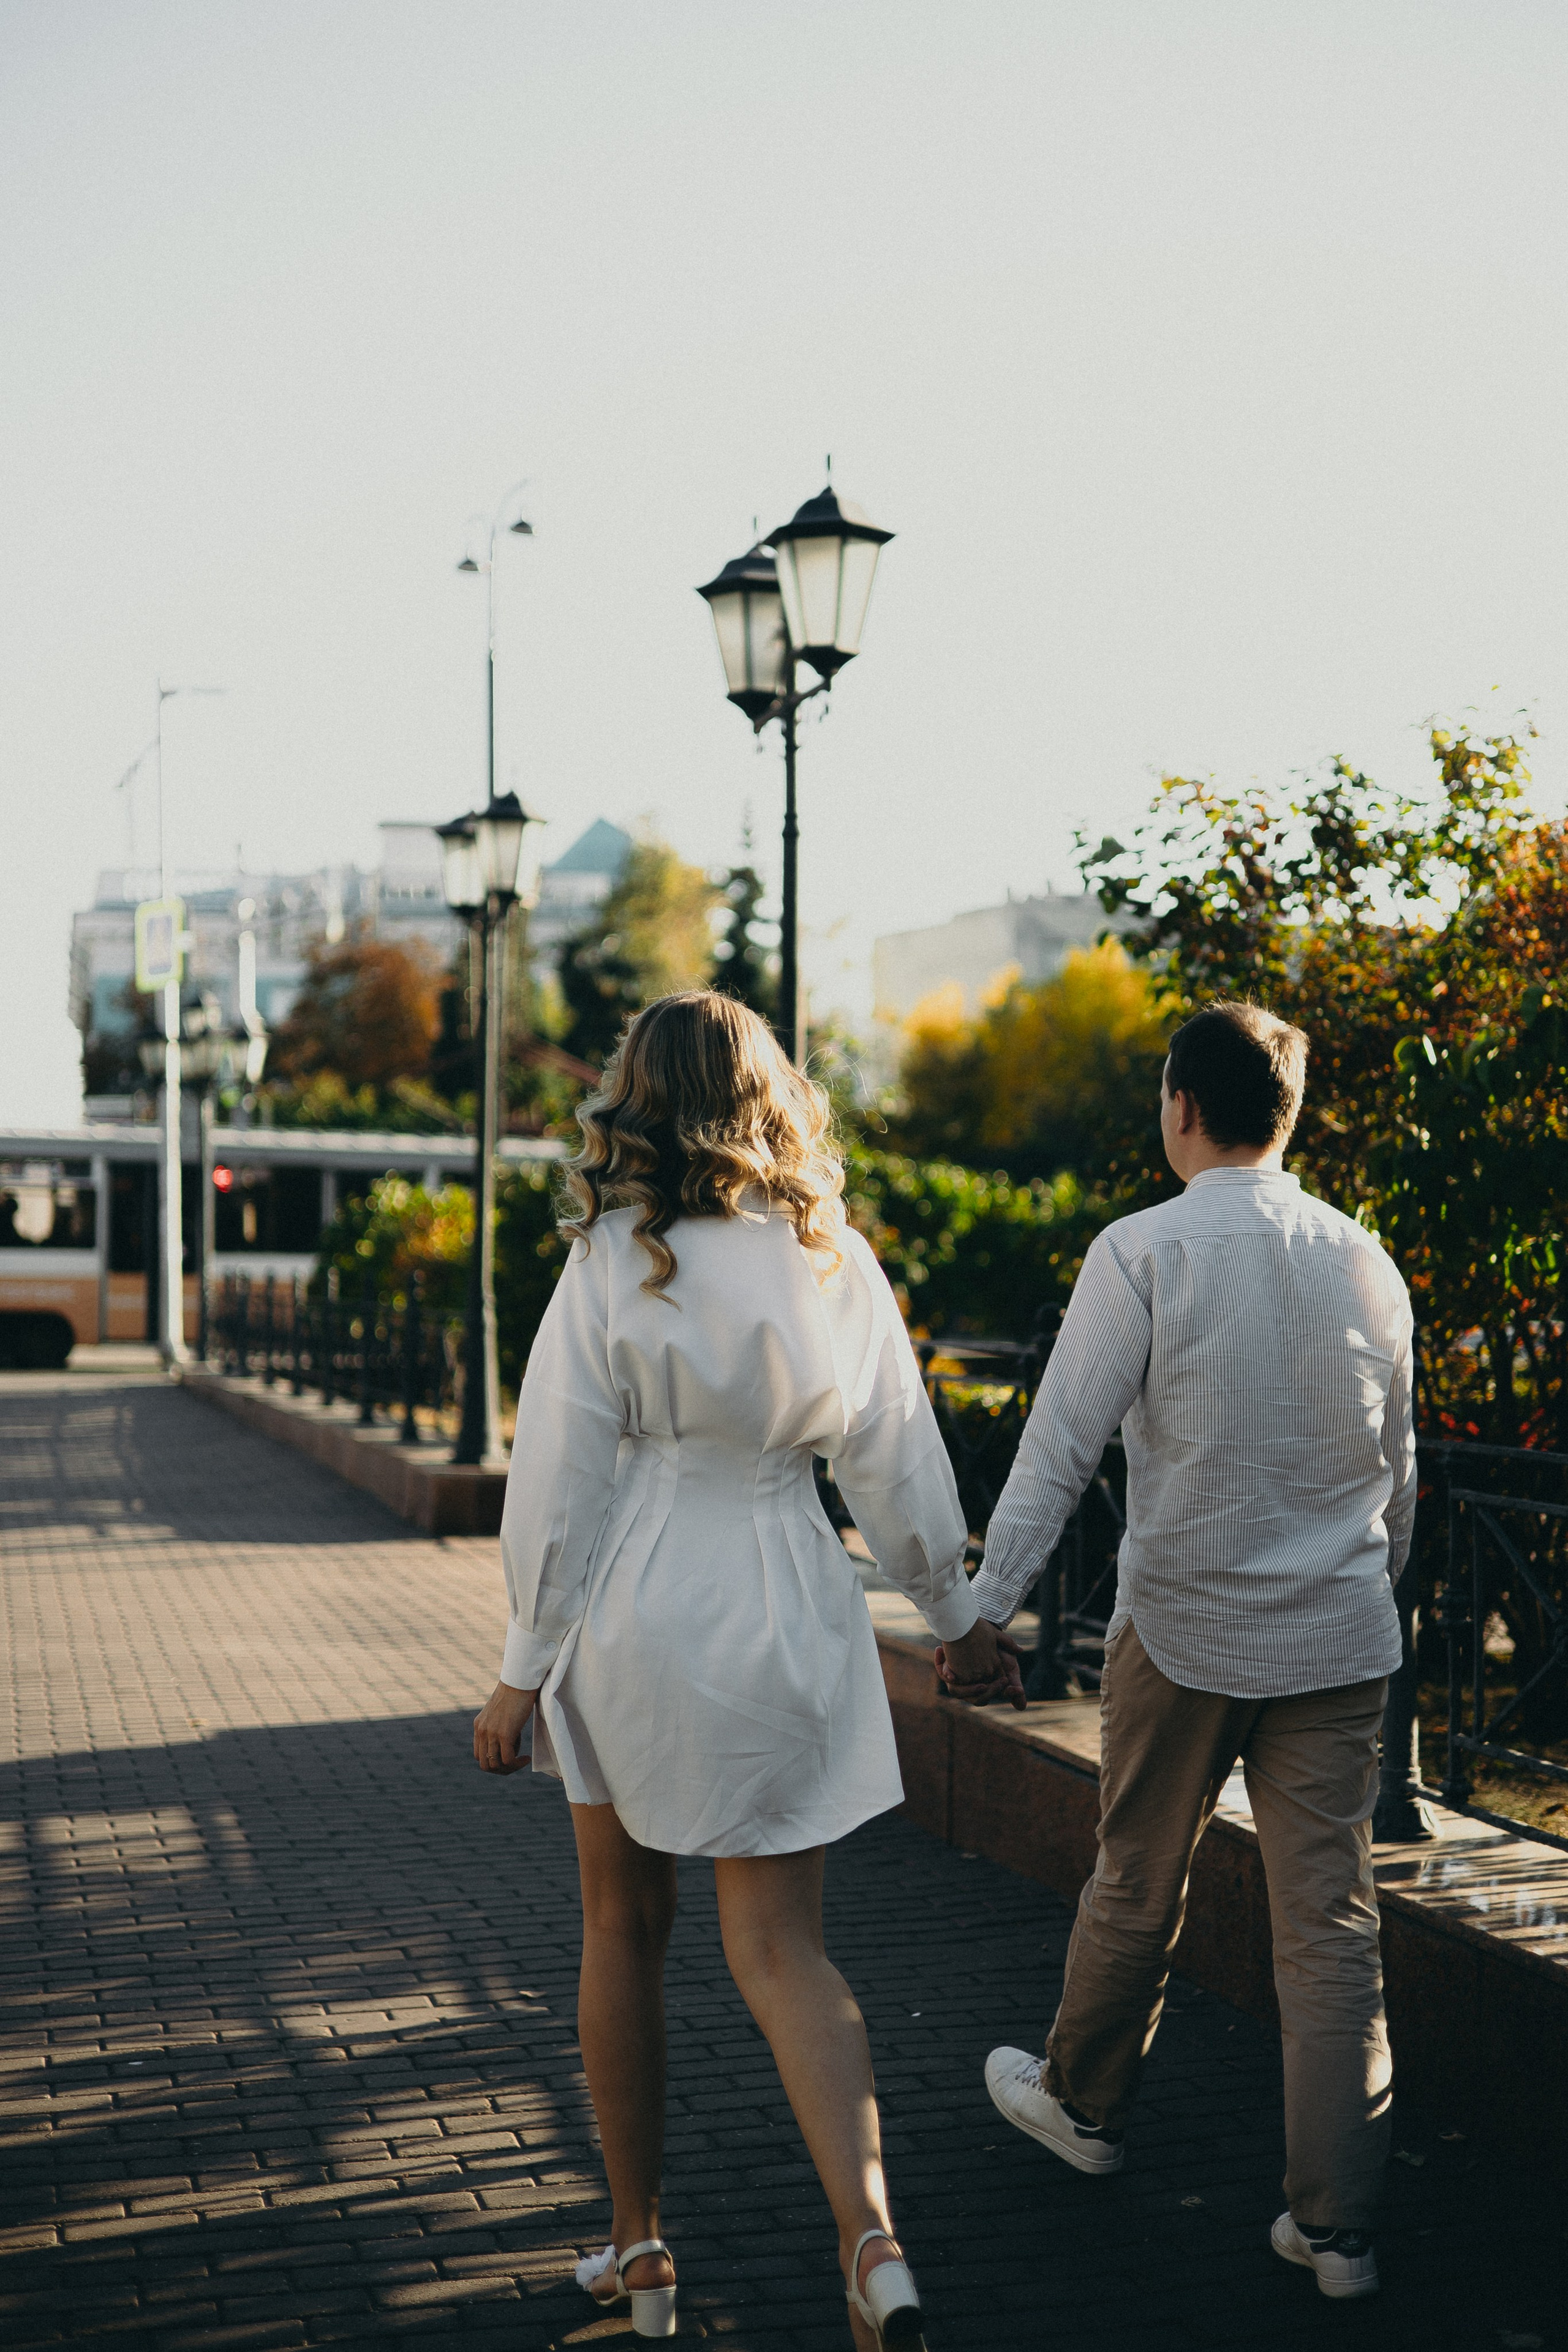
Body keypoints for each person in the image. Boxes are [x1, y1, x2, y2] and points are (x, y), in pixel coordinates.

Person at [472, 990, 1008, 2348]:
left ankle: (641, 2249)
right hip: (786, 1590)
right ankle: (869, 2240)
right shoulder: (831, 1255)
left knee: (620, 1927)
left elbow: (559, 1479)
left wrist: (522, 1667)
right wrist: (952, 1614)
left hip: (634, 1607)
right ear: (769, 1097)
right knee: (782, 1948)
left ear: (631, 1101)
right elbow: (892, 1452)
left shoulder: (607, 1262)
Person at [941, 1000, 1414, 2302]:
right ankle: (1336, 2231)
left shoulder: (1139, 1252)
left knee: (1136, 1879)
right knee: (1330, 1927)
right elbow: (1398, 1478)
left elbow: (1056, 1446)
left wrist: (985, 1615)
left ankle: (1082, 2109)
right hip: (1335, 1643)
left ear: (1181, 1107)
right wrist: (1357, 1597)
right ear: (1287, 1115)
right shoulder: (1365, 1260)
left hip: (1186, 1629)